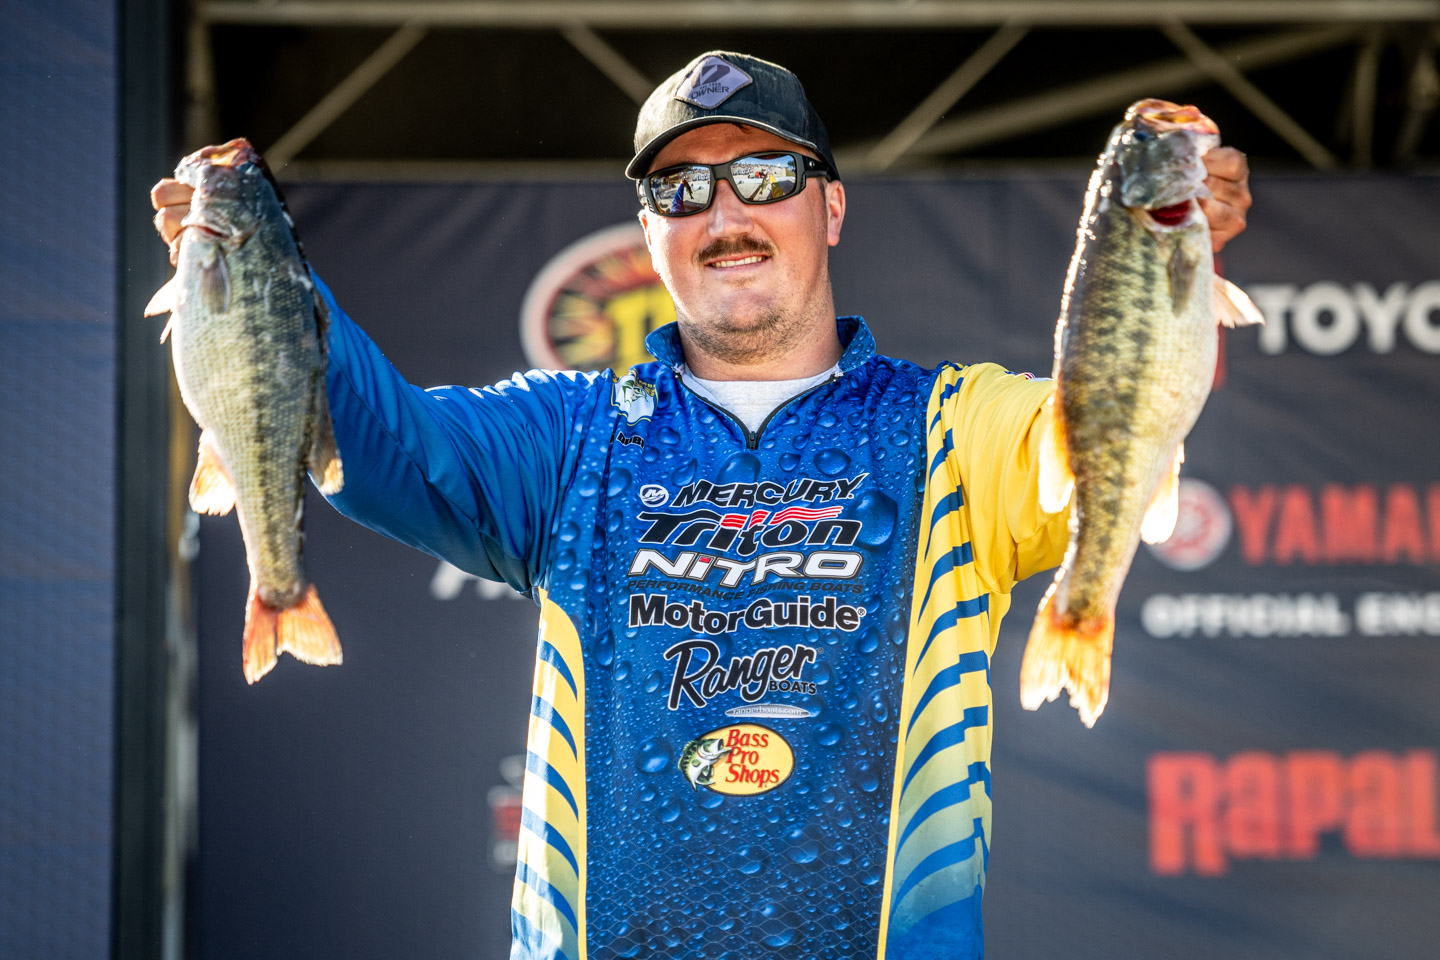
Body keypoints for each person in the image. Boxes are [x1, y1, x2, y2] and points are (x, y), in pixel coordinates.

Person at [152, 49, 1250, 960]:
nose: (724, 213)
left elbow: (1115, 421)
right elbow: (384, 445)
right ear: (650, 235)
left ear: (830, 206)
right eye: (680, 191)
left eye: (764, 175)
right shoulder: (571, 434)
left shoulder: (958, 428)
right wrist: (249, 279)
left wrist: (1167, 260)